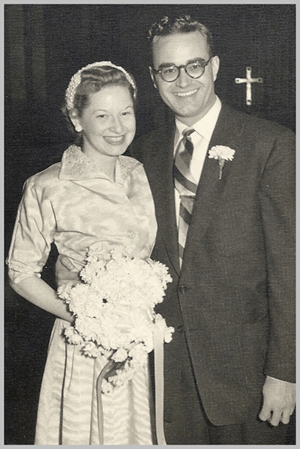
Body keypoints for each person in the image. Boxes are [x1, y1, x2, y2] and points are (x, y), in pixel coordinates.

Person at [56, 14, 296, 445]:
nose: (182, 80)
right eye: (168, 69)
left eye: (194, 66)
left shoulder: (271, 145)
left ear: (215, 67)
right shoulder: (140, 151)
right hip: (165, 371)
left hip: (248, 373)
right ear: (153, 76)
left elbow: (291, 268)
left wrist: (285, 370)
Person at [6, 61, 159, 445]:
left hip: (142, 340)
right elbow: (20, 272)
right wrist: (86, 317)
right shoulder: (48, 185)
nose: (118, 127)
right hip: (85, 343)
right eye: (102, 115)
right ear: (76, 118)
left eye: (126, 113)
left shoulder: (141, 172)